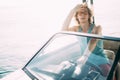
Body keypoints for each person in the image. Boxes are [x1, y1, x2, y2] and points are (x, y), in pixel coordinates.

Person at [61, 3, 114, 78]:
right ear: (77, 16)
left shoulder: (97, 27)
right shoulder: (76, 29)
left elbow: (93, 40)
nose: (82, 15)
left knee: (109, 75)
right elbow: (63, 30)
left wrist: (84, 56)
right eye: (80, 13)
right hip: (85, 60)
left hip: (99, 59)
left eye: (85, 13)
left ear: (89, 15)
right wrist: (72, 10)